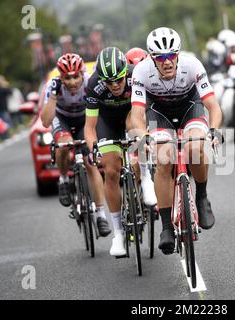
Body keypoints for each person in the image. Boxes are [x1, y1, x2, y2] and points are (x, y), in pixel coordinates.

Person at [130, 27, 223, 255]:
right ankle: (166, 227)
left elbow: (213, 106)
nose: (167, 62)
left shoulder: (192, 65)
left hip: (190, 106)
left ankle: (201, 197)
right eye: (160, 57)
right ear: (152, 58)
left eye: (171, 55)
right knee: (164, 159)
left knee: (195, 147)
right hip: (158, 110)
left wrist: (214, 131)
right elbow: (137, 114)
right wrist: (144, 137)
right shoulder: (141, 72)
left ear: (178, 55)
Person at [84, 47, 157, 256]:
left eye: (119, 80)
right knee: (111, 169)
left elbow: (145, 111)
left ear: (126, 72)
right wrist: (93, 148)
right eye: (109, 82)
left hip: (131, 114)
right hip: (107, 122)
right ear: (102, 80)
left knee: (135, 128)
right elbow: (89, 127)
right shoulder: (94, 85)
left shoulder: (137, 75)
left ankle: (145, 177)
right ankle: (118, 233)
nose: (115, 86)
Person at [41, 53, 111, 236]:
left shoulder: (91, 82)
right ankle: (63, 179)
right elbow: (46, 122)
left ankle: (101, 215)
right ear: (61, 77)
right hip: (61, 119)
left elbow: (104, 111)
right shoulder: (53, 86)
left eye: (75, 76)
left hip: (83, 120)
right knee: (64, 145)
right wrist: (53, 98)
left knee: (91, 163)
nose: (72, 82)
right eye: (67, 77)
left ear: (82, 74)